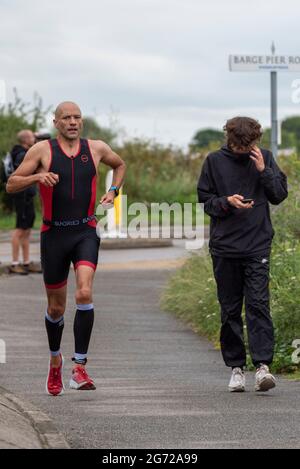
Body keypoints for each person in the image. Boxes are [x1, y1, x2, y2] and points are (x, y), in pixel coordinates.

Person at [6, 102, 126, 396]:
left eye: (77, 117)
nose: (73, 122)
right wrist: (36, 177)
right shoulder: (41, 151)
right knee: (55, 307)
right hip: (54, 234)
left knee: (84, 292)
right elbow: (11, 184)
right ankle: (55, 359)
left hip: (85, 230)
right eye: (66, 118)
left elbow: (120, 165)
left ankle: (80, 367)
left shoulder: (96, 148)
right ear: (56, 122)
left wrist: (113, 191)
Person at [197, 116, 288, 392]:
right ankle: (236, 369)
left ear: (256, 140)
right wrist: (227, 202)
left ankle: (262, 368)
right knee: (230, 309)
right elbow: (205, 201)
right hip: (225, 247)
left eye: (248, 144)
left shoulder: (266, 158)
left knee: (259, 305)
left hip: (257, 244)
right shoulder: (214, 161)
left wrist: (263, 171)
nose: (242, 149)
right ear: (229, 138)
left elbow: (279, 195)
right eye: (238, 144)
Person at [9, 130, 41, 275]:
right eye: (32, 137)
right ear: (26, 139)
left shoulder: (24, 152)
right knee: (19, 229)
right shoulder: (22, 154)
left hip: (27, 196)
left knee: (27, 229)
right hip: (21, 196)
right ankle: (15, 263)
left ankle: (26, 262)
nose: (35, 138)